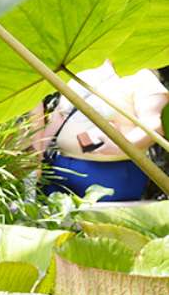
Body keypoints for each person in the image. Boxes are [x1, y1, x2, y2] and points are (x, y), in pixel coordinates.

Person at [40, 60, 169, 201]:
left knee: (103, 220)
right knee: (56, 219)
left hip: (113, 170)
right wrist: (39, 153)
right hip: (61, 166)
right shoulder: (80, 70)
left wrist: (121, 146)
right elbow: (60, 115)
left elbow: (155, 123)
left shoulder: (141, 75)